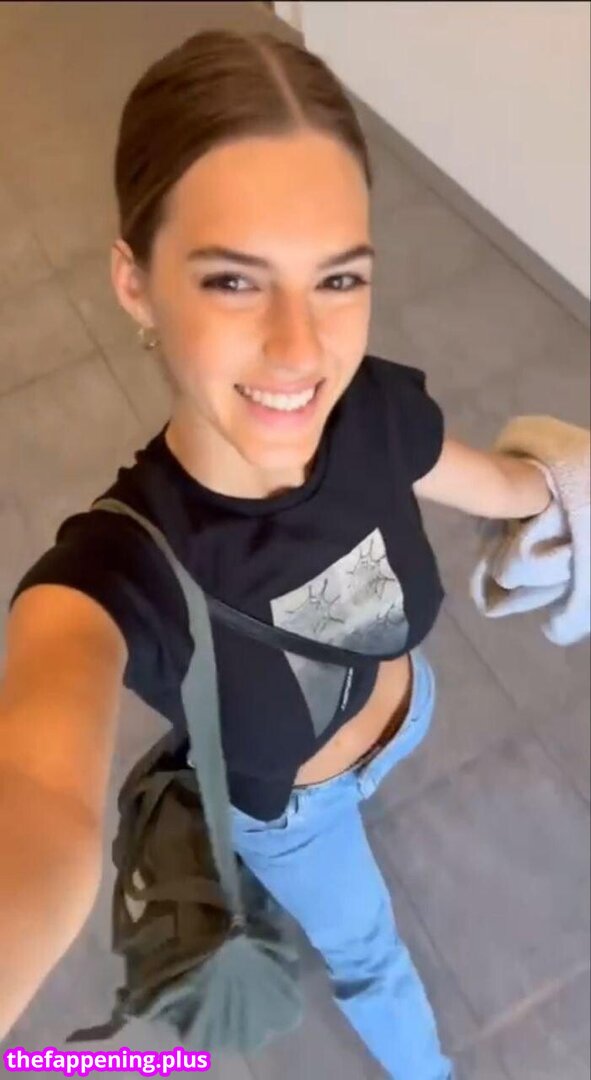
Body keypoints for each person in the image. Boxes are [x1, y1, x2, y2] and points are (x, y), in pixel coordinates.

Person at [0, 28, 553, 1079]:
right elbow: (31, 793)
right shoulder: (111, 578)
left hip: (404, 706)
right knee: (369, 954)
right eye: (233, 281)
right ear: (134, 282)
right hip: (297, 814)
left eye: (337, 279)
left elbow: (519, 489)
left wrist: (565, 489)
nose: (302, 350)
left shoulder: (373, 408)